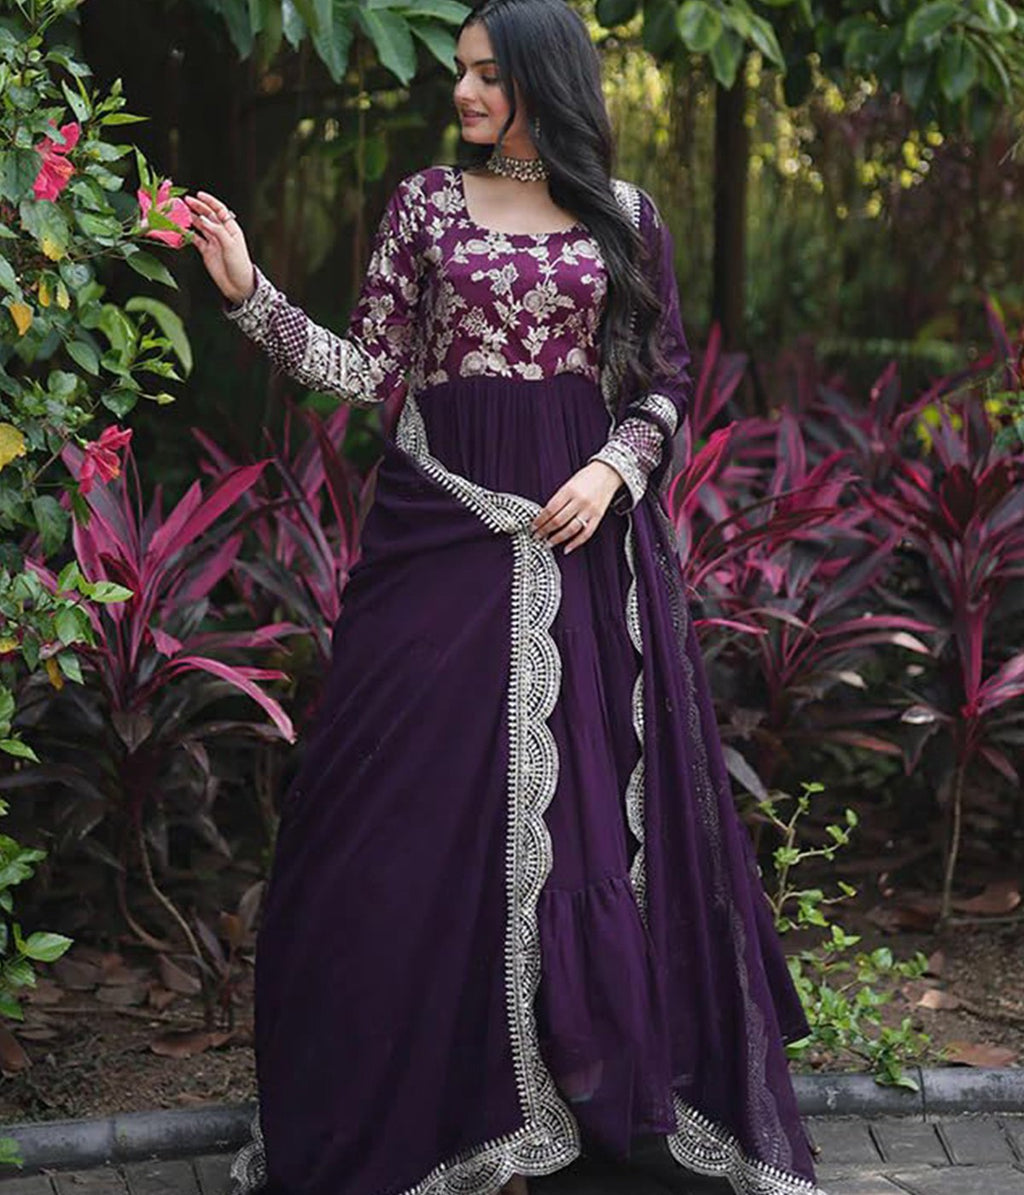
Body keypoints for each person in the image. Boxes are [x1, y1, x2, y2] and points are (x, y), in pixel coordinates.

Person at [186, 2, 824, 1193]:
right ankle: (438, 1104)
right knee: (394, 815)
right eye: (461, 74)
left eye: (487, 75)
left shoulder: (626, 219)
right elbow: (368, 370)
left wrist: (609, 469)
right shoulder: (427, 204)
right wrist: (248, 292)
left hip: (589, 560)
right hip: (442, 540)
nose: (466, 95)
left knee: (586, 821)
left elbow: (663, 382)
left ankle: (571, 1097)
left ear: (542, 80)